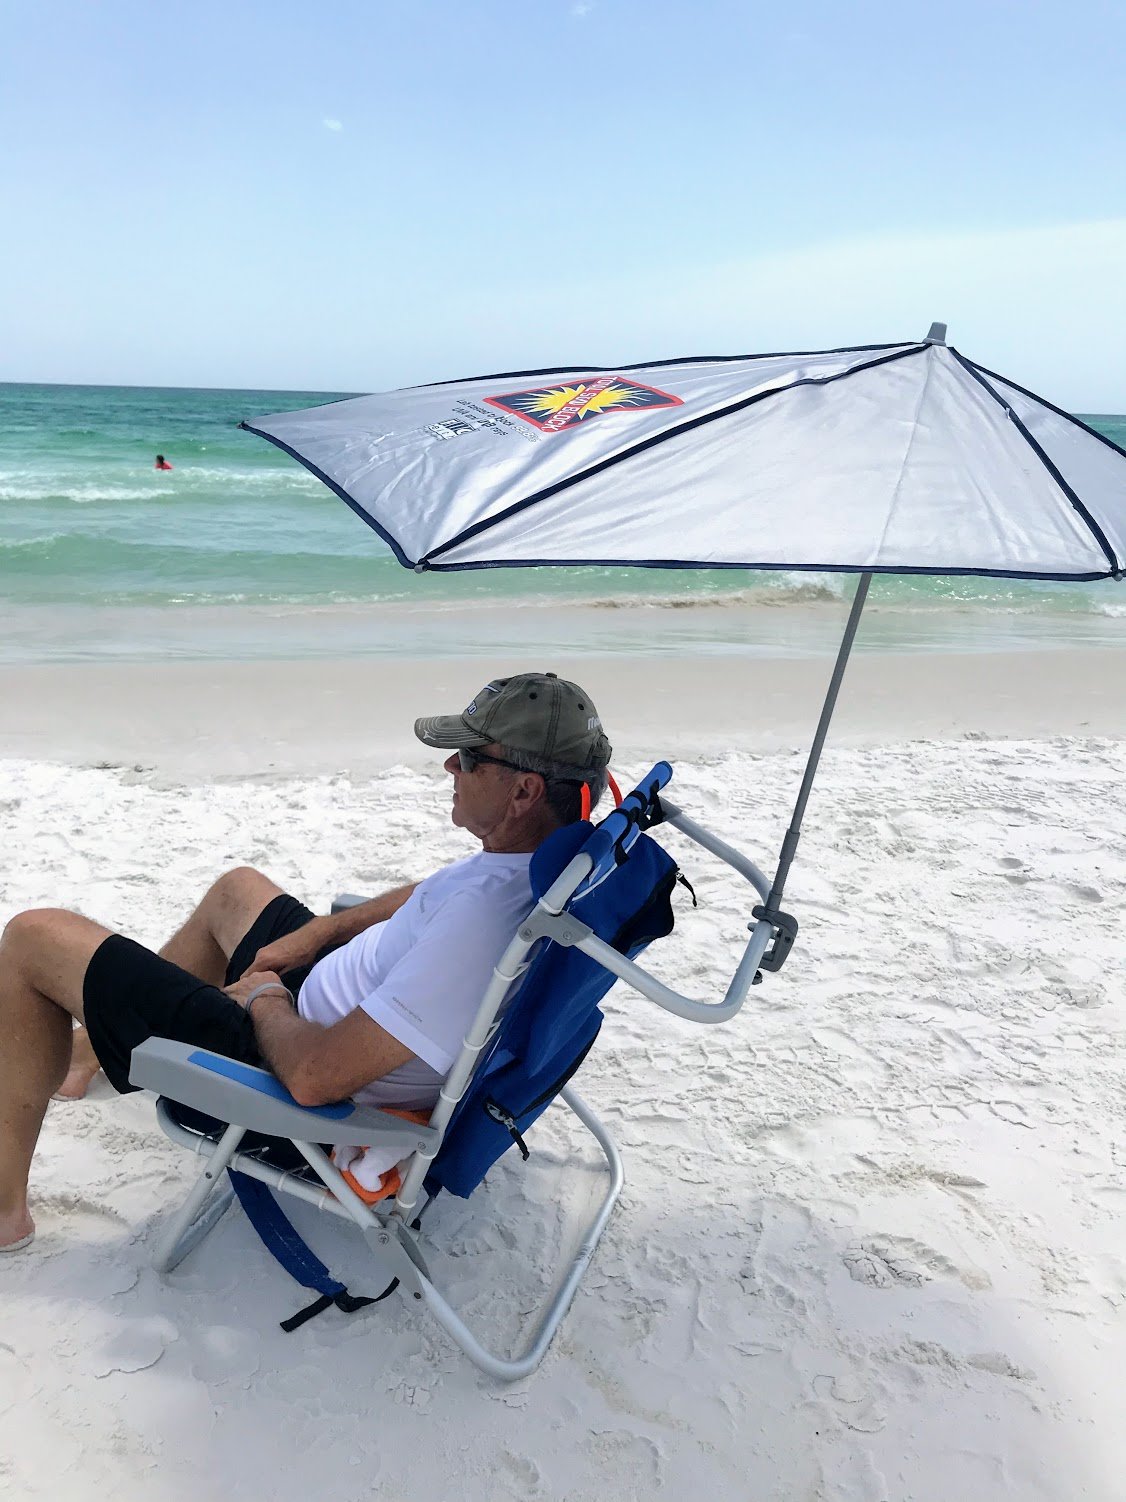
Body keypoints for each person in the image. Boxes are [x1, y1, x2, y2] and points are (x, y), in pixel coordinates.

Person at [0, 672, 611, 1251]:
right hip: (324, 1001)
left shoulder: (481, 927)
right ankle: (81, 1057)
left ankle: (5, 1214)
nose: (452, 766)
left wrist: (267, 997)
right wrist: (325, 929)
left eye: (471, 758)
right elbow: (441, 890)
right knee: (237, 889)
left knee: (33, 936)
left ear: (524, 791)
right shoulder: (545, 866)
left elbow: (316, 1078)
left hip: (288, 1071)